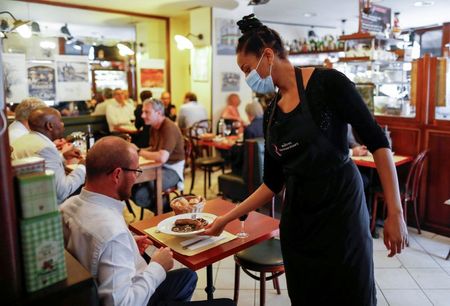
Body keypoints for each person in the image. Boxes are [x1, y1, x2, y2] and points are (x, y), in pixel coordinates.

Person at [204, 14, 408, 306]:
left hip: (341, 214)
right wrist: (226, 219)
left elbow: (377, 142)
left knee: (351, 293)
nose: (247, 76)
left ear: (268, 55)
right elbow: (272, 183)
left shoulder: (328, 84)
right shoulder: (272, 111)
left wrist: (395, 213)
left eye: (247, 68)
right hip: (299, 222)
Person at [60, 136, 197, 306]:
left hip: (91, 289)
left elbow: (93, 247)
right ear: (117, 174)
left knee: (188, 275)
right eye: (136, 172)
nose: (136, 178)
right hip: (134, 295)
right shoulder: (113, 233)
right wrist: (157, 267)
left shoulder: (67, 207)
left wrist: (129, 244)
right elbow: (123, 303)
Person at [11, 107, 85, 204]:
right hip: (47, 206)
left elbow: (40, 166)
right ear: (50, 126)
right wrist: (83, 167)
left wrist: (63, 157)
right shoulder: (45, 148)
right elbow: (62, 191)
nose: (63, 124)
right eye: (60, 121)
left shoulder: (22, 140)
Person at [133, 99, 185, 213]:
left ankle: (166, 211)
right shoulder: (153, 127)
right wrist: (134, 151)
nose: (142, 115)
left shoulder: (168, 128)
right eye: (143, 112)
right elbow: (154, 149)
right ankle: (165, 210)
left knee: (141, 195)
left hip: (173, 170)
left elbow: (162, 157)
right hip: (159, 167)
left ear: (159, 113)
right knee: (131, 185)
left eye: (147, 112)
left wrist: (138, 151)